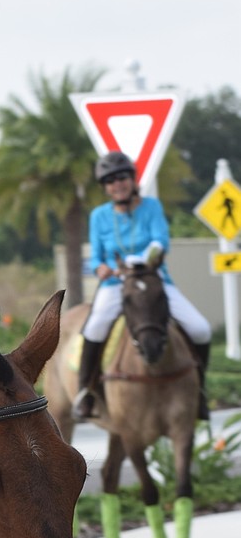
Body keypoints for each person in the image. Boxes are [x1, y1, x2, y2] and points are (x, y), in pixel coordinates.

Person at [73, 150, 211, 421]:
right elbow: (98, 257)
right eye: (110, 180)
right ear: (105, 187)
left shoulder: (151, 207)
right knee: (95, 326)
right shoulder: (99, 216)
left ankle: (200, 392)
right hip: (116, 284)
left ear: (132, 180)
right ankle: (85, 393)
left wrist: (146, 257)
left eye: (122, 177)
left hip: (153, 279)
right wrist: (101, 267)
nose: (117, 184)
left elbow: (161, 241)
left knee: (201, 328)